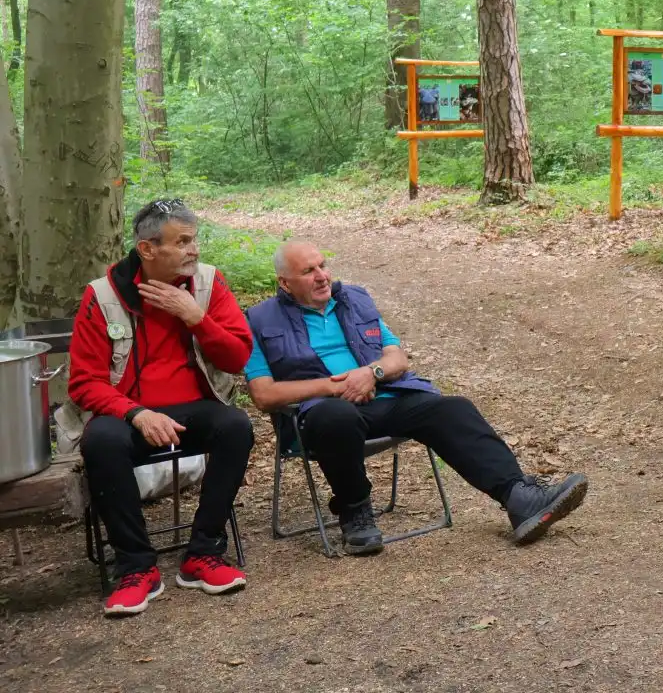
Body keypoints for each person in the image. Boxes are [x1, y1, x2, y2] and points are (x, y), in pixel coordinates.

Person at [245, 242, 588, 553]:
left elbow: (397, 358)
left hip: (383, 398)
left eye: (323, 265)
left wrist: (371, 373)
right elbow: (263, 394)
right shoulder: (259, 320)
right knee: (336, 417)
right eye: (308, 271)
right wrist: (335, 387)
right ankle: (354, 510)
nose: (322, 276)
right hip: (320, 414)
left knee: (452, 409)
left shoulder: (354, 300)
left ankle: (519, 497)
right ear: (284, 283)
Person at [61, 199, 255, 616]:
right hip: (129, 414)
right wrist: (137, 413)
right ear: (147, 249)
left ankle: (204, 553)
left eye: (194, 239)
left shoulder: (207, 283)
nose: (194, 250)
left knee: (236, 426)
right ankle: (136, 567)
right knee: (102, 442)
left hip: (194, 408)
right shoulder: (103, 295)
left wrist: (195, 316)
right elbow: (84, 382)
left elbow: (238, 357)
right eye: (182, 242)